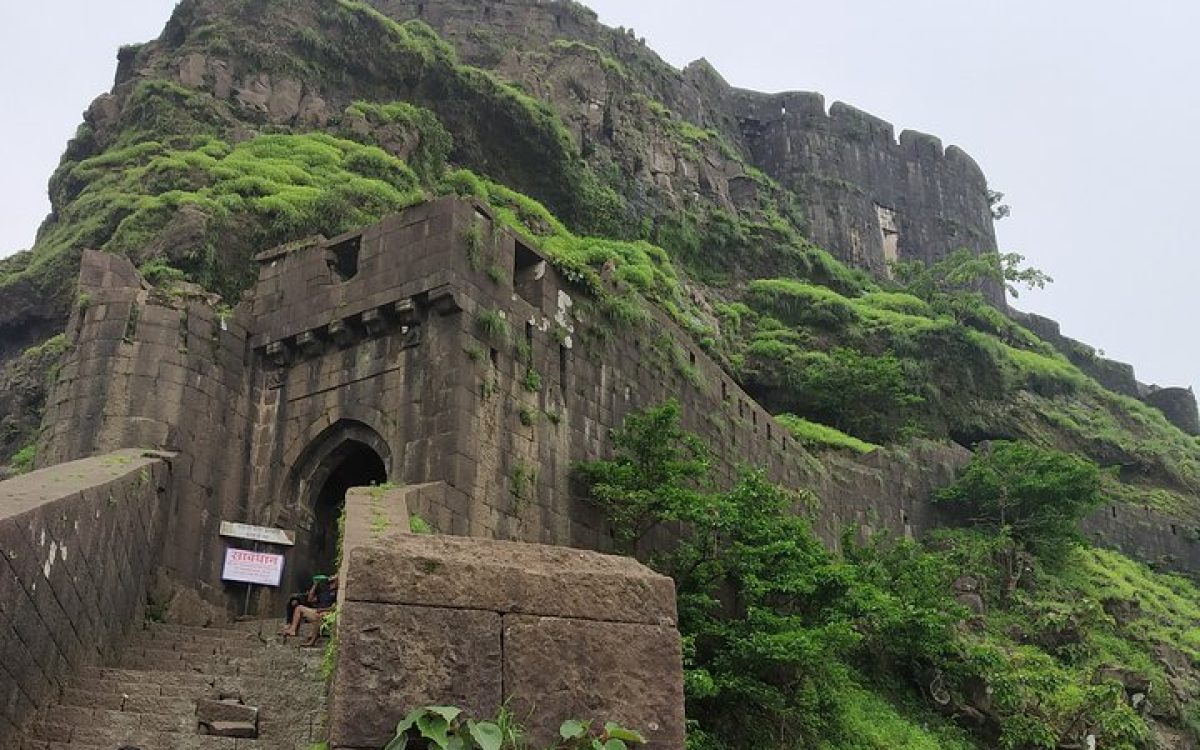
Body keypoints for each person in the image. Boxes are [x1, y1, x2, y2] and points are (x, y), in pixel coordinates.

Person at [280, 575, 338, 645]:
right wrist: (315, 584)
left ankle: (312, 640)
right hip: (317, 611)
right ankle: (293, 630)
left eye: (334, 577)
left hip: (327, 612)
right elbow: (310, 599)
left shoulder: (337, 592)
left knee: (319, 616)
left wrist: (322, 610)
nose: (332, 577)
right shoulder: (325, 591)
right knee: (299, 608)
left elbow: (335, 607)